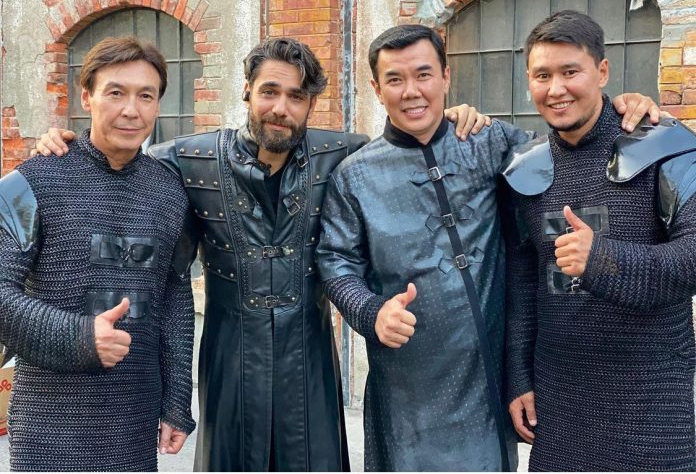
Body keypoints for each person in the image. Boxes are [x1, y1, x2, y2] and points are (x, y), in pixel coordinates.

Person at [34, 35, 656, 472]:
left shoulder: (348, 156)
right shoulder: (187, 160)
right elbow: (124, 165)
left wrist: (625, 109)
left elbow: (461, 139)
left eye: (296, 95)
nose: (281, 107)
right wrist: (63, 142)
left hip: (310, 353)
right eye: (269, 91)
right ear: (246, 92)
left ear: (313, 103)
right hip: (227, 354)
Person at [316, 24, 663, 471]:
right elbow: (336, 261)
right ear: (376, 89)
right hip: (407, 382)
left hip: (487, 380)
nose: (412, 92)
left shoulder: (491, 142)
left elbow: (570, 141)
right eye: (395, 80)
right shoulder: (354, 176)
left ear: (446, 76)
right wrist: (370, 311)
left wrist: (625, 108)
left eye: (424, 75)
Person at [501, 10, 696, 471]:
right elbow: (524, 283)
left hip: (650, 401)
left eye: (571, 71)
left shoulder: (665, 145)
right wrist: (518, 377)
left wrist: (603, 260)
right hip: (560, 399)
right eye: (542, 75)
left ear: (602, 71)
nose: (556, 89)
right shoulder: (524, 167)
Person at [0, 37, 196, 471]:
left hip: (133, 417)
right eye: (116, 92)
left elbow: (174, 299)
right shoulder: (30, 182)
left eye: (146, 96)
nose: (131, 110)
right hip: (50, 421)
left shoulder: (170, 194)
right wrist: (79, 337)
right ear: (85, 96)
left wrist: (176, 401)